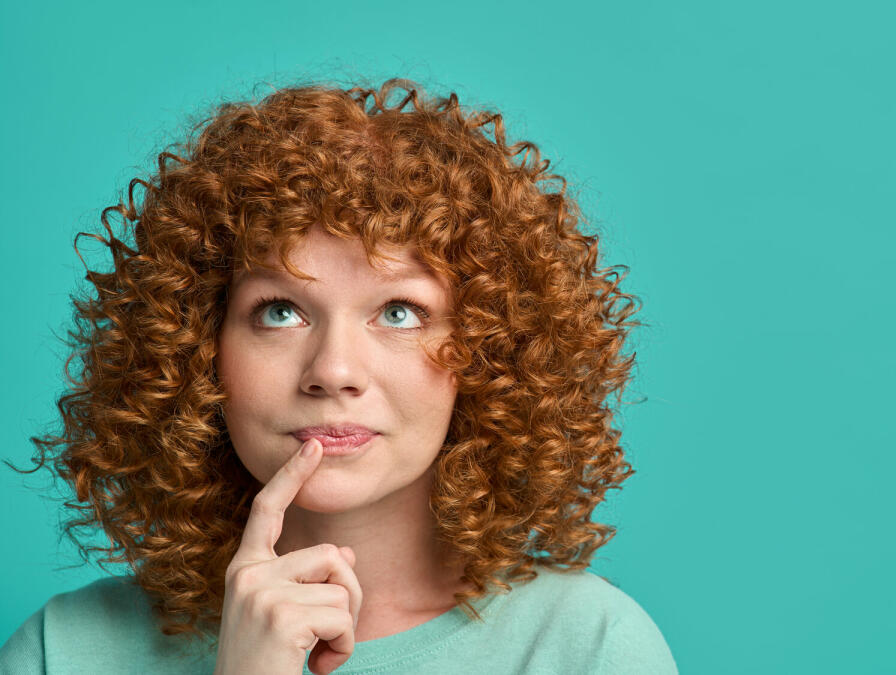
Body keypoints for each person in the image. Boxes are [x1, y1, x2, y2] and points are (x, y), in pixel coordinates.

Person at [0, 77, 676, 674]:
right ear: (197, 349)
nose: (333, 370)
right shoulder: (64, 651)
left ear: (491, 350)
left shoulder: (589, 649)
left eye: (400, 311)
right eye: (280, 310)